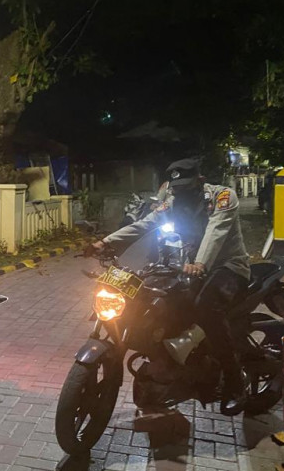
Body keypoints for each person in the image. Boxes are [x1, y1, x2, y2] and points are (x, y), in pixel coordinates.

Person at [89, 158, 251, 415]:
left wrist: (199, 263)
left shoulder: (222, 197)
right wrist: (106, 242)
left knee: (206, 308)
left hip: (228, 267)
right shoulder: (172, 203)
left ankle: (234, 382)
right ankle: (171, 365)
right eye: (176, 189)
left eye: (185, 187)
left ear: (199, 181)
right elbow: (145, 224)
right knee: (158, 301)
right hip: (190, 268)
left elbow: (215, 232)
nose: (180, 193)